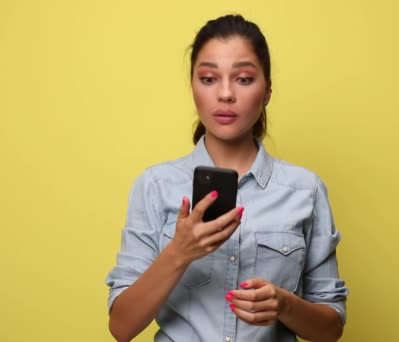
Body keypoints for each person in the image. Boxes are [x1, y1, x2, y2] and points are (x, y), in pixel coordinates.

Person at [106, 14, 348, 342]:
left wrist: (284, 305)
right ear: (192, 86)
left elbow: (331, 328)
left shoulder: (305, 190)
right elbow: (121, 327)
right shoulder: (155, 186)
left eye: (244, 79)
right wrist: (180, 251)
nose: (225, 94)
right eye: (208, 78)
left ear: (267, 91)